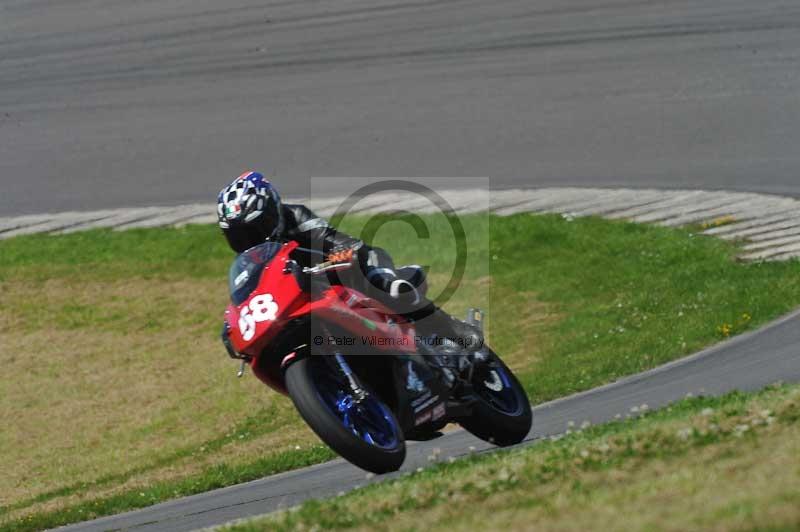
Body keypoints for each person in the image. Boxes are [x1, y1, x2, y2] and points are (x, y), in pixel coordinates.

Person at [217, 170, 483, 350]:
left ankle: (453, 330)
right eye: (238, 237)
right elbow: (252, 297)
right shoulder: (252, 261)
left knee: (387, 285)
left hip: (346, 271)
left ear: (273, 210)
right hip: (310, 300)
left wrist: (344, 253)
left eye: (255, 229)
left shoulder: (296, 218)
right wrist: (233, 326)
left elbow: (337, 241)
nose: (250, 241)